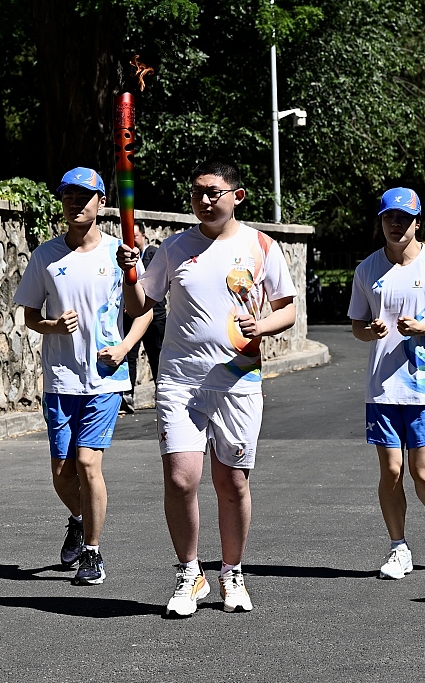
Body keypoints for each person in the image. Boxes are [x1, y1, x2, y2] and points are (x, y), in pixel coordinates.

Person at [118, 160, 296, 616]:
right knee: (181, 479)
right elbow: (141, 305)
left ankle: (232, 573)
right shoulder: (176, 247)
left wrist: (264, 323)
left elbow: (287, 310)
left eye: (213, 191)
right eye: (197, 192)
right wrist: (131, 274)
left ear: (237, 195)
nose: (204, 199)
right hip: (181, 379)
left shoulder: (262, 246)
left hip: (237, 380)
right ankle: (189, 572)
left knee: (232, 481)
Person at [14, 167, 152, 586]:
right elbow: (31, 316)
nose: (77, 202)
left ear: (101, 203)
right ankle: (78, 519)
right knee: (62, 473)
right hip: (59, 378)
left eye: (85, 195)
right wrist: (53, 326)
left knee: (89, 462)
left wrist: (125, 349)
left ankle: (93, 553)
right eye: (69, 195)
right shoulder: (46, 257)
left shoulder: (120, 253)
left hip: (105, 377)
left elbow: (142, 309)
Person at [347, 187, 425, 579]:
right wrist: (373, 330)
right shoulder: (367, 270)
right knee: (392, 471)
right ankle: (399, 548)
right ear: (381, 222)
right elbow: (357, 328)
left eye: (403, 218)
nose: (395, 224)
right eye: (388, 218)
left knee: (423, 472)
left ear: (417, 222)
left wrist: (423, 328)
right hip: (382, 387)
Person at [122, 225, 166, 412]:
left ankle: (162, 393)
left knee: (157, 355)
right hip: (131, 315)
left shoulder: (154, 254)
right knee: (129, 355)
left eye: (136, 236)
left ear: (144, 236)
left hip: (155, 316)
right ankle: (127, 395)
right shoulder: (123, 258)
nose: (133, 240)